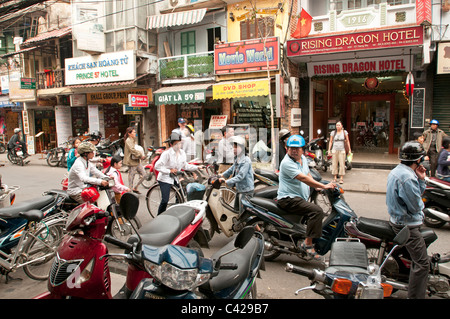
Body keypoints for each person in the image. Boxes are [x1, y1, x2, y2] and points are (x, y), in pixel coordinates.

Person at [277, 134, 336, 261]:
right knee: (317, 211)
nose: (294, 151)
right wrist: (323, 186)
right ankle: (307, 244)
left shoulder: (302, 159)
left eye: (297, 148)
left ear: (302, 150)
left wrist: (318, 186)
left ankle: (304, 237)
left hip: (299, 198)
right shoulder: (287, 163)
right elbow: (302, 178)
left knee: (312, 213)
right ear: (287, 149)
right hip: (289, 199)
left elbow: (307, 174)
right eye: (291, 148)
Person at [386, 140, 430, 299]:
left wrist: (421, 179)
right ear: (418, 159)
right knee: (423, 263)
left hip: (400, 220)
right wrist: (422, 206)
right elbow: (416, 206)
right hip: (407, 226)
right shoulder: (407, 177)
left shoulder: (399, 171)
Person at [154, 132, 200, 215]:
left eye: (179, 143)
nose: (178, 146)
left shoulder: (182, 153)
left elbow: (185, 165)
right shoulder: (166, 154)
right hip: (165, 178)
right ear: (171, 144)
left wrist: (197, 167)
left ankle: (175, 213)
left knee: (181, 197)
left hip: (175, 177)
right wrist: (169, 171)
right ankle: (159, 216)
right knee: (165, 200)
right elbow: (157, 166)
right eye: (176, 144)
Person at [218, 135, 254, 213]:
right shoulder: (237, 158)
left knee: (243, 213)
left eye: (236, 147)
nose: (234, 149)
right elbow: (231, 169)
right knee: (236, 210)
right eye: (233, 147)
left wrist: (226, 181)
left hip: (246, 191)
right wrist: (222, 175)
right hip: (239, 189)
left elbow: (240, 176)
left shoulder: (245, 161)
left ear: (243, 148)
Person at [123, 127, 146, 194]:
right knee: (131, 176)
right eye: (134, 132)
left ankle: (135, 187)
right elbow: (132, 150)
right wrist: (140, 155)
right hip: (131, 161)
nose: (135, 133)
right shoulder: (128, 140)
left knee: (144, 174)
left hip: (136, 160)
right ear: (129, 134)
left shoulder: (133, 139)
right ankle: (130, 189)